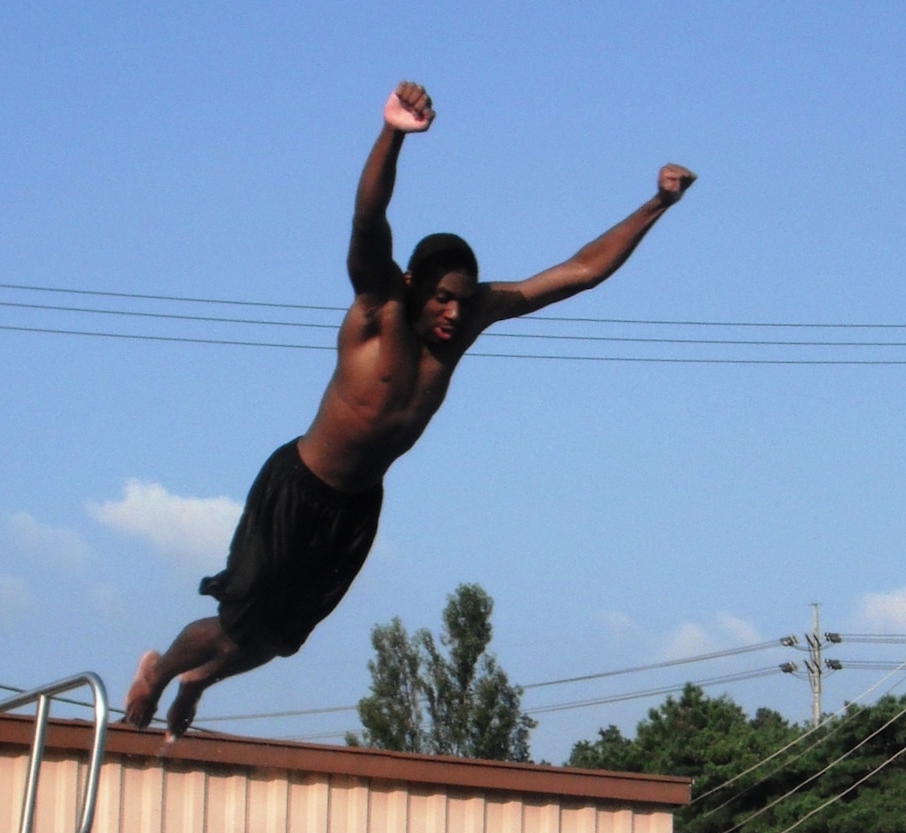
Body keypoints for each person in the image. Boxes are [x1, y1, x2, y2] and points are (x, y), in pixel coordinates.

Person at [125, 81, 695, 739]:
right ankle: (162, 672)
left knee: (280, 639)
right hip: (299, 485)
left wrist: (658, 202)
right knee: (238, 621)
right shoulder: (379, 309)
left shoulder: (474, 317)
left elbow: (580, 271)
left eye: (462, 300)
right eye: (442, 300)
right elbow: (369, 221)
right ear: (411, 287)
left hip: (357, 505)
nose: (453, 314)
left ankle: (200, 682)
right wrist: (393, 133)